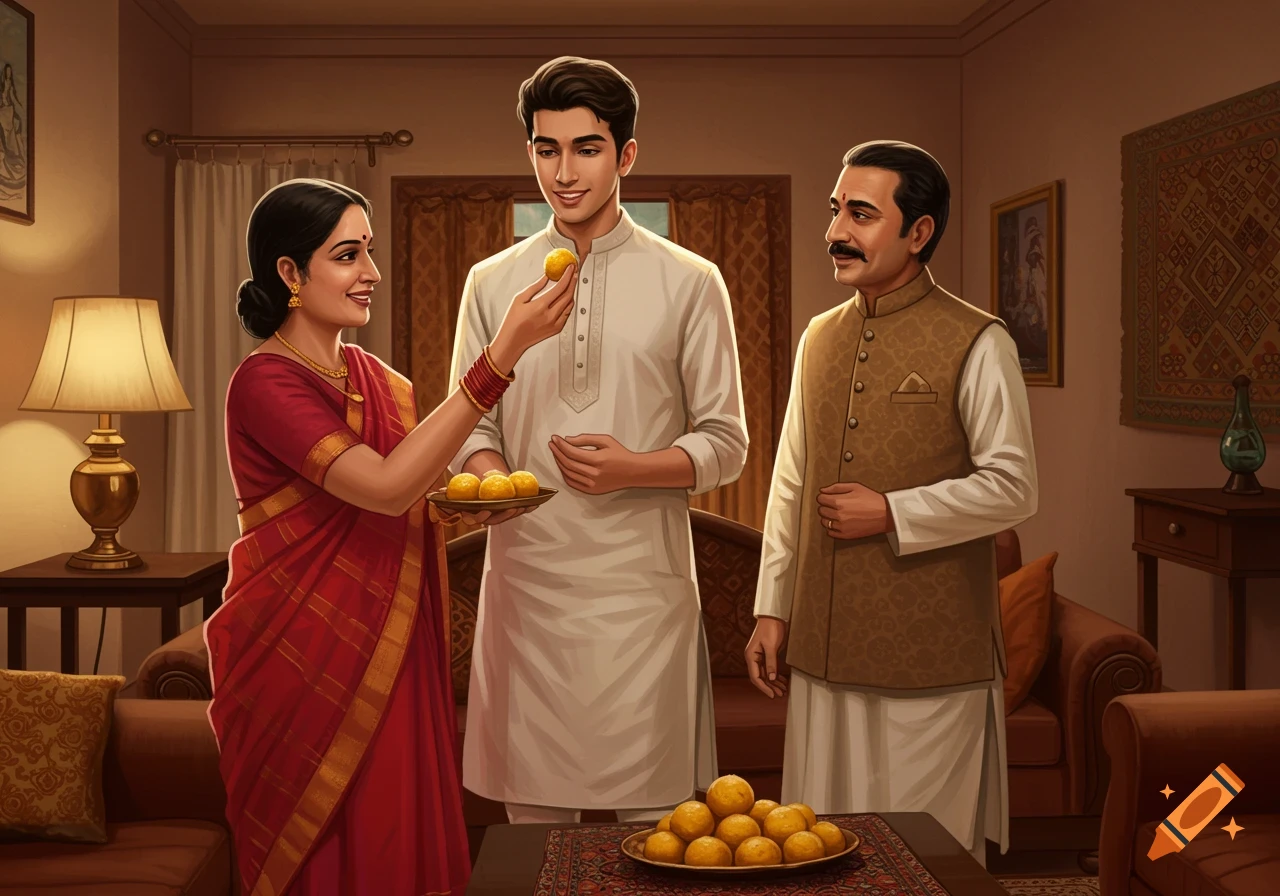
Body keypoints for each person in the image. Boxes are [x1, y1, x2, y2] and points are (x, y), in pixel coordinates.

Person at [205, 177, 577, 895]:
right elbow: (381, 489)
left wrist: (467, 505)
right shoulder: (264, 383)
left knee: (394, 833)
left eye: (370, 252)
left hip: (391, 642)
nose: (370, 273)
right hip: (304, 653)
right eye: (347, 255)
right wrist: (498, 360)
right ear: (289, 271)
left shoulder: (380, 381)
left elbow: (405, 496)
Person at [447, 56, 748, 824]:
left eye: (587, 148)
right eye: (547, 149)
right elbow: (470, 425)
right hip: (528, 592)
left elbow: (726, 442)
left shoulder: (692, 281)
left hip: (642, 599)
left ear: (628, 156)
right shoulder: (491, 282)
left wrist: (634, 468)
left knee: (658, 832)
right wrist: (491, 477)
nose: (565, 171)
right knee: (534, 836)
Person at [744, 141, 1038, 866]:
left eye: (862, 214)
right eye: (836, 210)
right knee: (822, 848)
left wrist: (894, 512)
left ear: (918, 233)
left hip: (932, 657)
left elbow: (1014, 485)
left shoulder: (979, 339)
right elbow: (790, 484)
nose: (837, 229)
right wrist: (772, 608)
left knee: (929, 856)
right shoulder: (818, 338)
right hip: (823, 651)